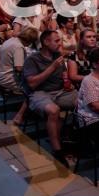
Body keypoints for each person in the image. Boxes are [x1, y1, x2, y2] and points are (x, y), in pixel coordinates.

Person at [21, 30, 78, 168]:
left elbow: (64, 72)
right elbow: (32, 83)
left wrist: (66, 79)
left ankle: (75, 137)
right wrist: (52, 67)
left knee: (84, 101)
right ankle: (58, 151)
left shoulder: (57, 55)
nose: (60, 44)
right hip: (39, 93)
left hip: (59, 91)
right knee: (54, 110)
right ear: (46, 42)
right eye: (57, 41)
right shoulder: (32, 60)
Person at [0, 27, 39, 125]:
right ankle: (20, 116)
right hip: (8, 78)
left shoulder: (11, 40)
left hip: (1, 75)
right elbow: (19, 68)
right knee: (34, 89)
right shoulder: (18, 47)